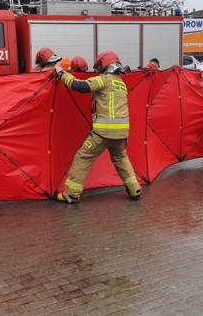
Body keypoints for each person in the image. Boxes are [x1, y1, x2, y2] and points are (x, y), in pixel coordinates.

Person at [54, 50, 142, 203]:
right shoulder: (121, 83)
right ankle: (135, 189)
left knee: (83, 157)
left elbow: (79, 86)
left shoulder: (104, 80)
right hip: (122, 134)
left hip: (103, 133)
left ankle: (72, 194)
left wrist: (62, 74)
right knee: (121, 158)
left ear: (104, 65)